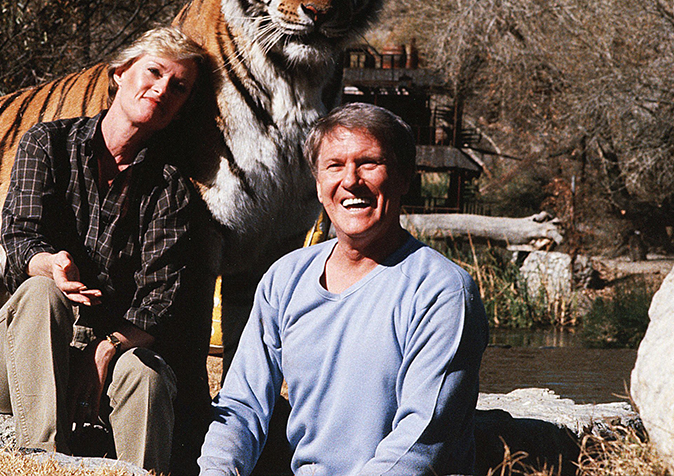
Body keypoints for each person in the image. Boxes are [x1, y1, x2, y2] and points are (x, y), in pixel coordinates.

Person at [198, 102, 489, 476]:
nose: (350, 180)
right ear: (318, 184)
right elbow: (241, 405)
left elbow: (421, 440)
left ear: (403, 178)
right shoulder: (285, 278)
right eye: (334, 166)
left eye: (369, 163)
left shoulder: (442, 291)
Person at [0, 26, 206, 473]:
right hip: (18, 352)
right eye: (153, 72)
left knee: (148, 376)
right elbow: (19, 238)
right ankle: (44, 461)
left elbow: (160, 302)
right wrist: (51, 265)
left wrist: (106, 349)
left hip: (107, 351)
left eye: (178, 87)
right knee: (43, 292)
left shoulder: (171, 190)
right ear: (120, 73)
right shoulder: (48, 144)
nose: (161, 90)